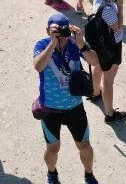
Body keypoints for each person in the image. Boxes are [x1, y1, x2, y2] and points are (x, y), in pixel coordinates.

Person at [33, 13, 100, 184]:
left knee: (84, 145)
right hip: (50, 109)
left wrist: (82, 44)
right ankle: (52, 173)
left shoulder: (74, 44)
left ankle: (89, 174)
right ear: (48, 31)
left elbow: (95, 61)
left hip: (74, 107)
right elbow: (38, 66)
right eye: (56, 32)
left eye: (64, 32)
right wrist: (52, 44)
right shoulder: (41, 45)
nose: (62, 37)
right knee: (53, 148)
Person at [88, 0, 126, 124]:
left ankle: (95, 92)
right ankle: (110, 114)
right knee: (109, 81)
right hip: (111, 46)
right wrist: (121, 7)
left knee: (98, 68)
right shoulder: (109, 9)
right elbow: (118, 28)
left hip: (99, 43)